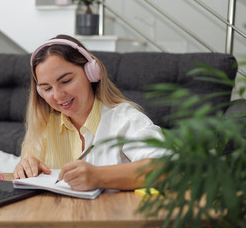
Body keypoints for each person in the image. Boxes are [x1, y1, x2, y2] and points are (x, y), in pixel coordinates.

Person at [13, 34, 165, 191]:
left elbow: (167, 168)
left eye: (66, 81)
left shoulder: (125, 120)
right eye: (47, 88)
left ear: (91, 73)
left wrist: (98, 176)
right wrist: (27, 167)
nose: (58, 95)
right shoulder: (43, 126)